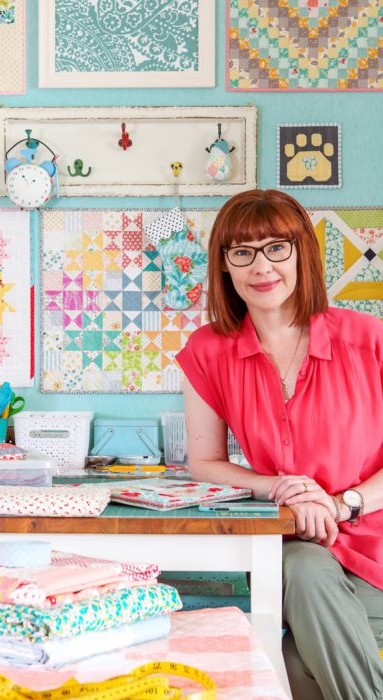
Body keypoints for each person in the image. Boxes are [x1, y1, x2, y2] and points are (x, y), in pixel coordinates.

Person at [176, 189, 383, 700]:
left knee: (286, 665)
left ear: (302, 255)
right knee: (300, 566)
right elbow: (203, 463)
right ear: (224, 265)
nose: (260, 266)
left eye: (276, 248)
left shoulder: (369, 339)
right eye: (241, 252)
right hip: (292, 549)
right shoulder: (208, 350)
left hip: (375, 550)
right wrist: (282, 488)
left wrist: (339, 504)